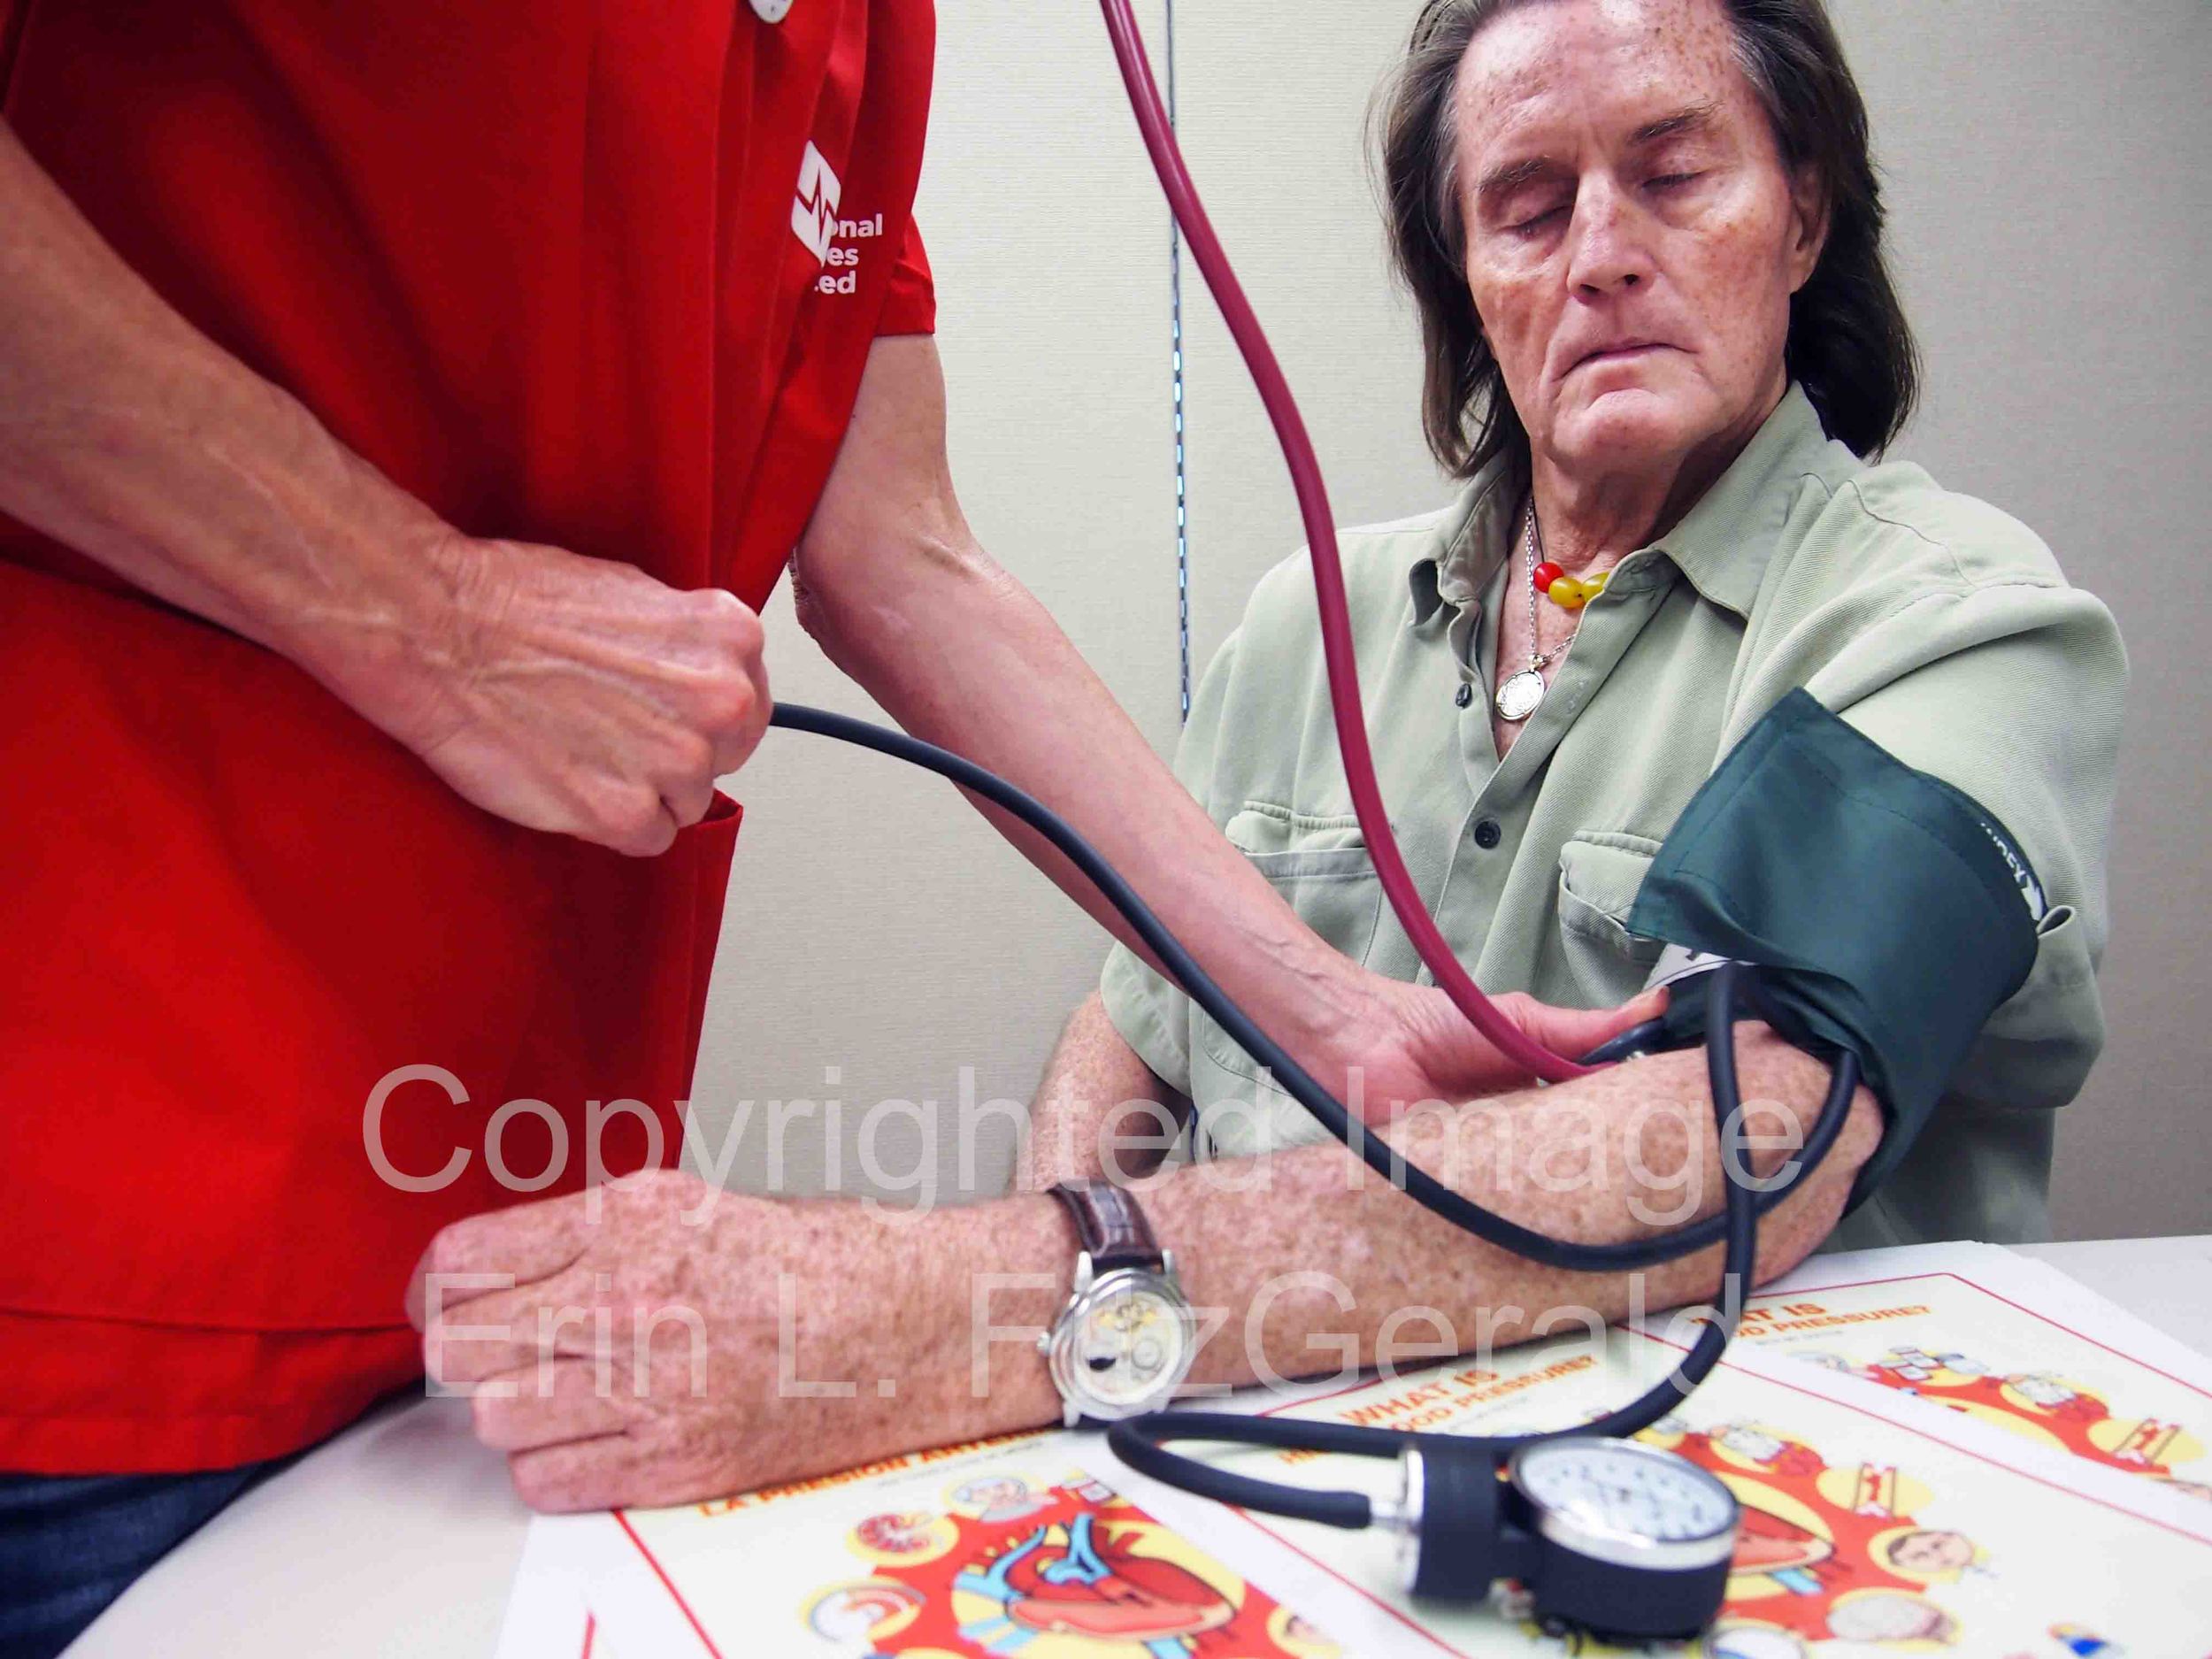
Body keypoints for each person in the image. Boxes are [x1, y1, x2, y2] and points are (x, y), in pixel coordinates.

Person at [0, 4, 1611, 1651]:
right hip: (97, 1266)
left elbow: (903, 554)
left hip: (523, 1261)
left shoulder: (861, 37)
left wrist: (1333, 1014)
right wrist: (432, 619)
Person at [416, 0, 2118, 1518]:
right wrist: (1061, 1444)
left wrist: (972, 1315)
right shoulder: (1312, 616)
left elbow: (1753, 1133)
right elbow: (1130, 1027)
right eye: (1526, 206)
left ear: (1803, 215)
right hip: (1250, 1507)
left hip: (1715, 1526)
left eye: (1675, 179)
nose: (1600, 251)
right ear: (1470, 279)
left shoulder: (1951, 623)